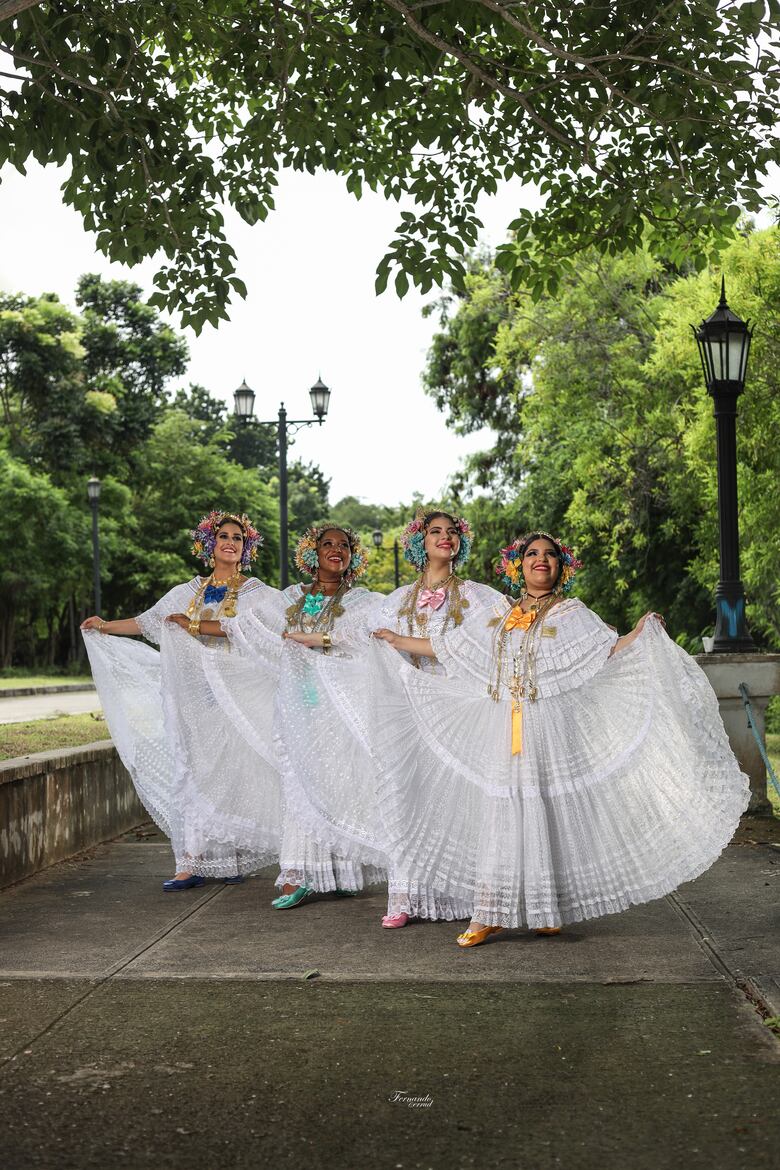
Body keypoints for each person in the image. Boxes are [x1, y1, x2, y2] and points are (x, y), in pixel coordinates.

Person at [371, 532, 750, 947]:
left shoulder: (572, 613)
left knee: (546, 811)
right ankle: (488, 911)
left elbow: (608, 650)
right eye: (532, 554)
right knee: (501, 810)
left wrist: (642, 632)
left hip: (548, 730)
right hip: (503, 728)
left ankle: (544, 909)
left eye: (550, 555)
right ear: (517, 566)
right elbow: (450, 648)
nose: (541, 560)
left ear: (560, 567)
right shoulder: (498, 614)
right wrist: (396, 640)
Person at [286, 507, 502, 928]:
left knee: (455, 796)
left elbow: (493, 639)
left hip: (452, 707)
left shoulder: (480, 597)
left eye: (452, 532)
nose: (445, 537)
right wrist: (312, 638)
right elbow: (361, 636)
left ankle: (463, 890)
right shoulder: (398, 597)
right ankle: (404, 895)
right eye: (435, 531)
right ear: (419, 543)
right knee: (403, 794)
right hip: (405, 710)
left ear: (461, 543)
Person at [171, 524, 387, 908]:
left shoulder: (364, 602)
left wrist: (320, 640)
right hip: (295, 702)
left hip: (336, 705)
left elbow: (370, 638)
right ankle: (298, 875)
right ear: (312, 553)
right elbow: (243, 629)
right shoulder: (291, 598)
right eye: (327, 544)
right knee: (300, 783)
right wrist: (188, 625)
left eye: (344, 546)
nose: (336, 550)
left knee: (338, 783)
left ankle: (340, 873)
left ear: (353, 557)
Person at [82, 511, 283, 889]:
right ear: (209, 545)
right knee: (190, 771)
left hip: (234, 697)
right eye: (223, 536)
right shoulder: (184, 592)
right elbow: (147, 623)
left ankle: (231, 856)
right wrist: (104, 626)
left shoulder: (259, 594)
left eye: (238, 538)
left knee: (230, 773)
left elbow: (263, 631)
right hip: (191, 699)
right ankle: (190, 859)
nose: (230, 542)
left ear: (246, 548)